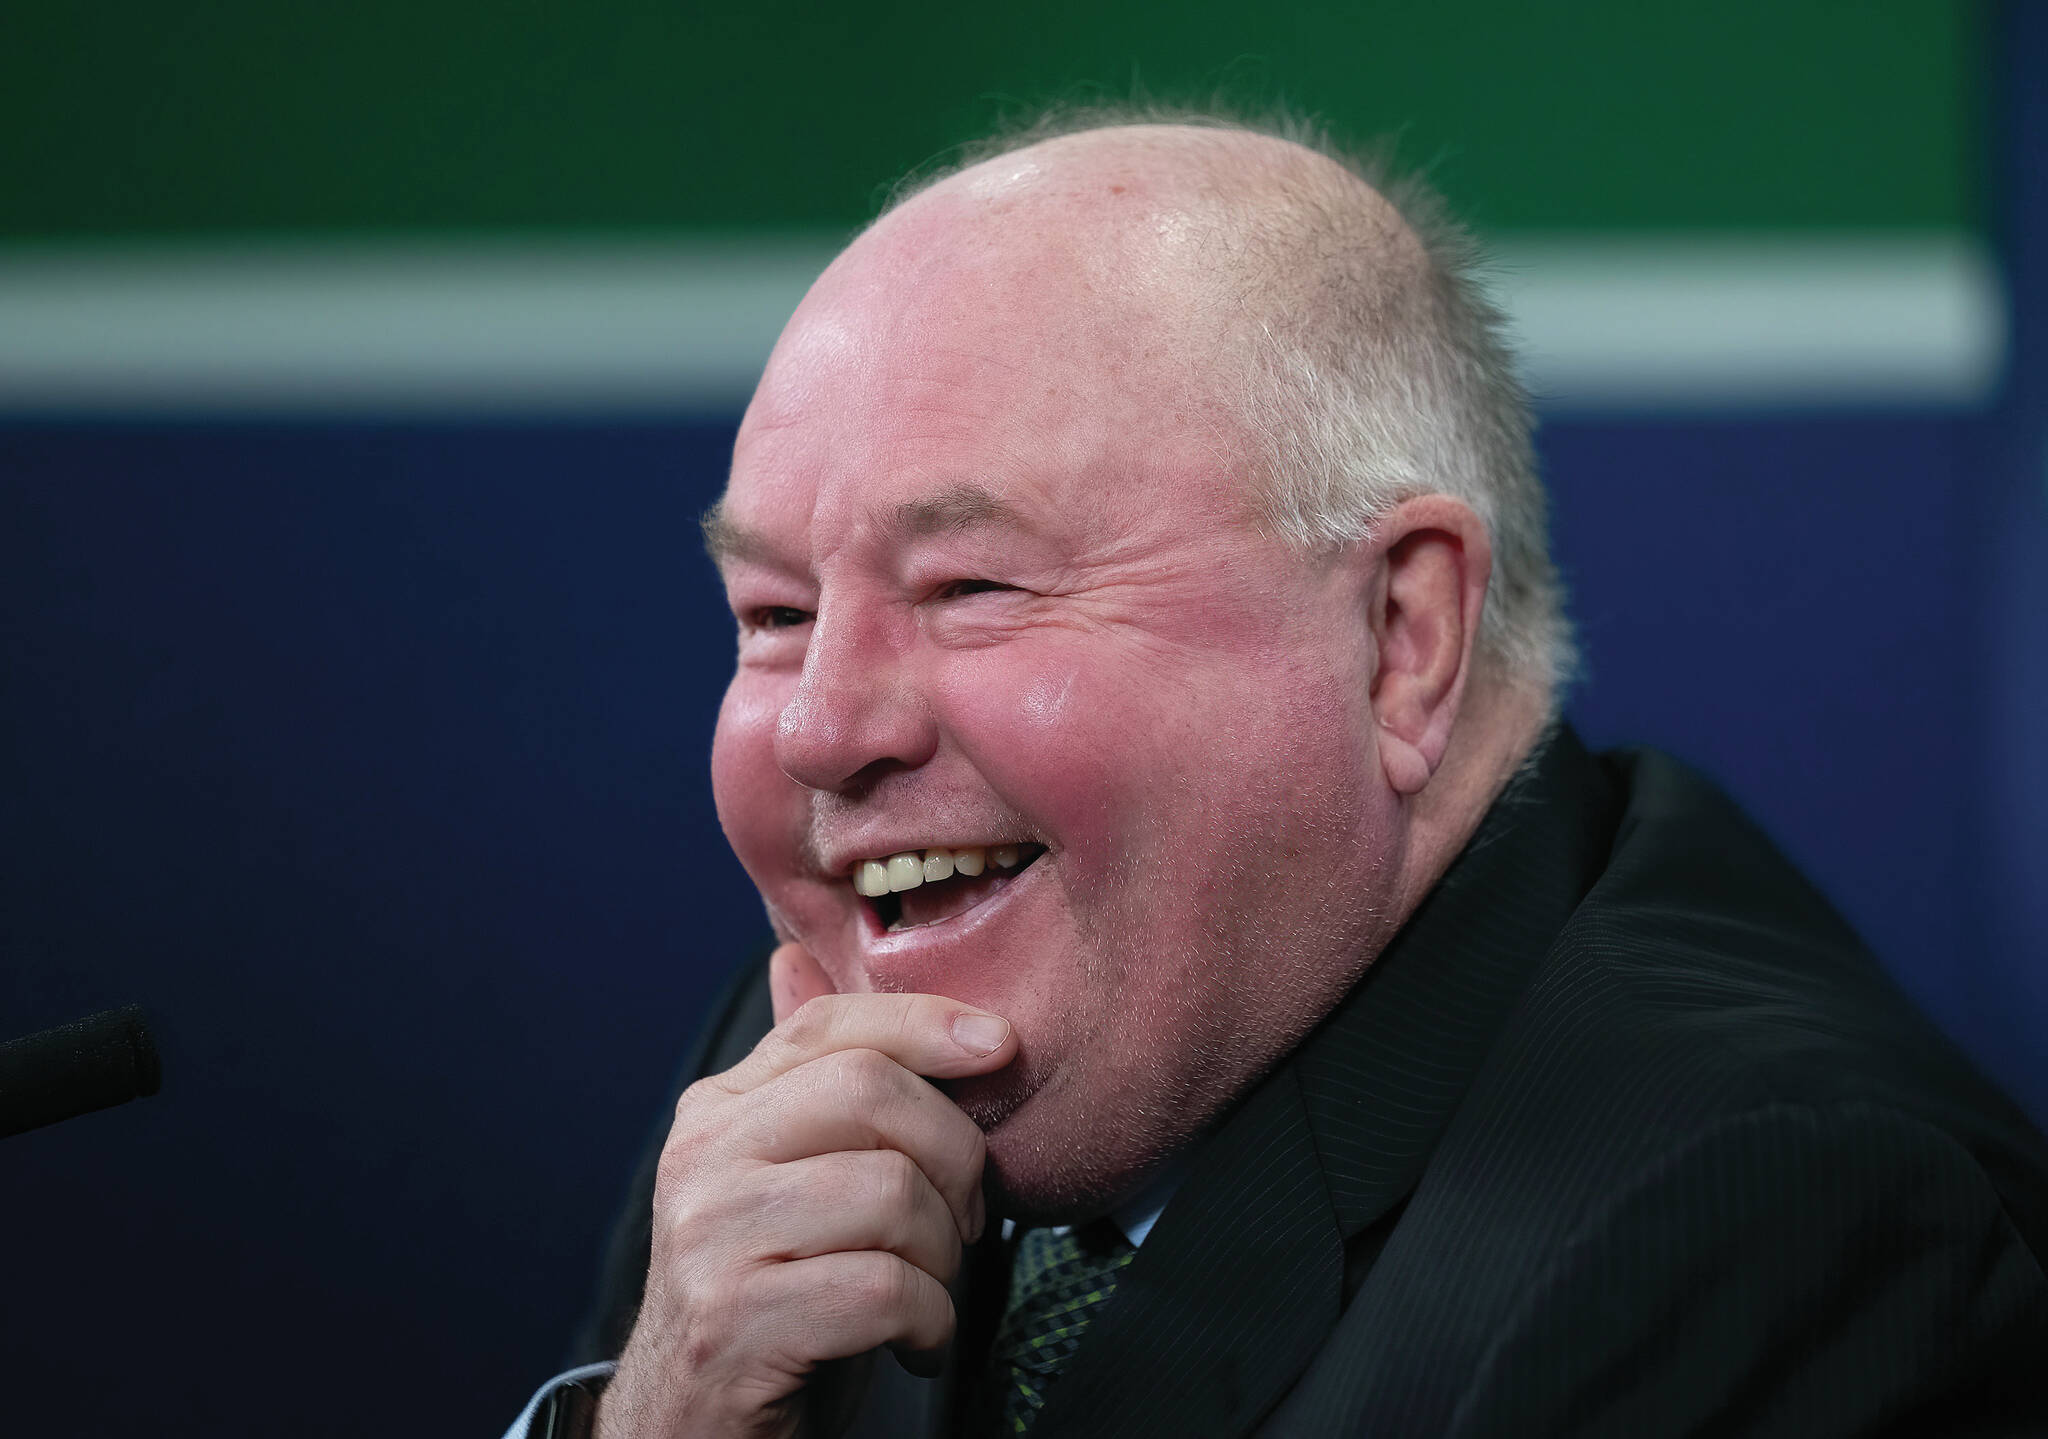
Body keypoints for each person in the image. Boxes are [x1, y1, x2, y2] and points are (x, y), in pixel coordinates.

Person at [506, 109, 2048, 1439]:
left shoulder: (1767, 1227)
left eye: (975, 587)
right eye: (774, 616)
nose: (824, 731)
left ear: (1402, 634)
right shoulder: (807, 1058)